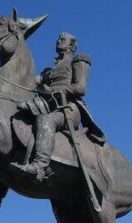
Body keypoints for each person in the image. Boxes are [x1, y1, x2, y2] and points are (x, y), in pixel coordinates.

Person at [10, 32, 105, 182]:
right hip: (47, 105)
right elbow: (32, 81)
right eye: (58, 39)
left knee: (46, 121)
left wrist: (57, 90)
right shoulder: (49, 70)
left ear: (71, 46)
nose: (58, 41)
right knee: (16, 121)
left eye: (62, 39)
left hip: (68, 109)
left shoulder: (78, 61)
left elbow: (81, 88)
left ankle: (39, 167)